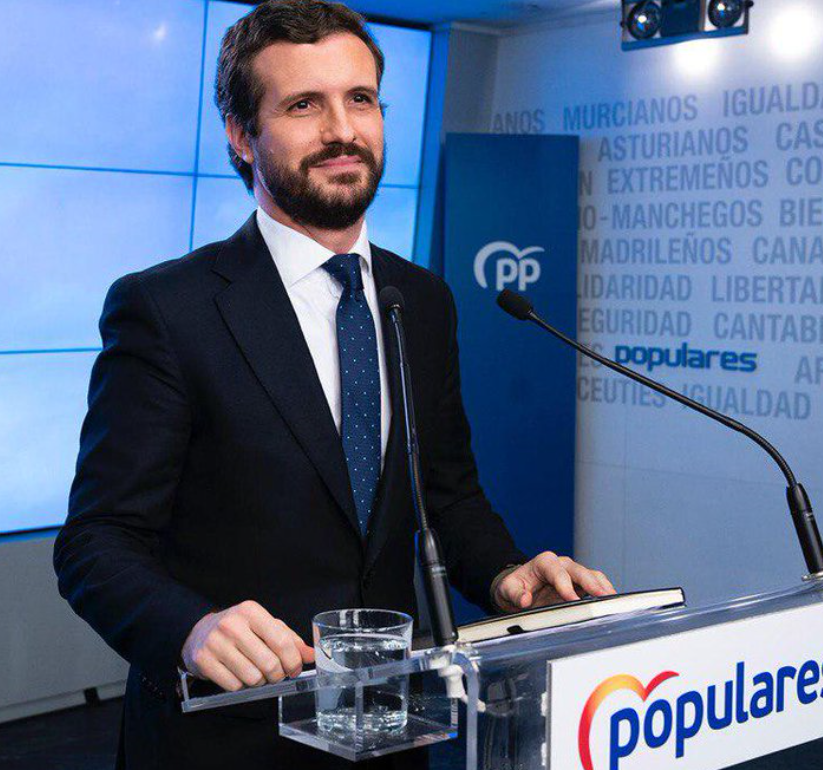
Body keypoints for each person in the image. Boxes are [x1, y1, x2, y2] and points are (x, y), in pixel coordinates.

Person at [52, 2, 615, 768]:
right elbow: (96, 543)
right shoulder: (168, 309)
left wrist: (508, 574)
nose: (342, 130)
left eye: (360, 99)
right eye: (303, 105)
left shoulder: (422, 301)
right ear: (242, 137)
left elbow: (445, 494)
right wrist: (191, 627)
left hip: (390, 729)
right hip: (230, 736)